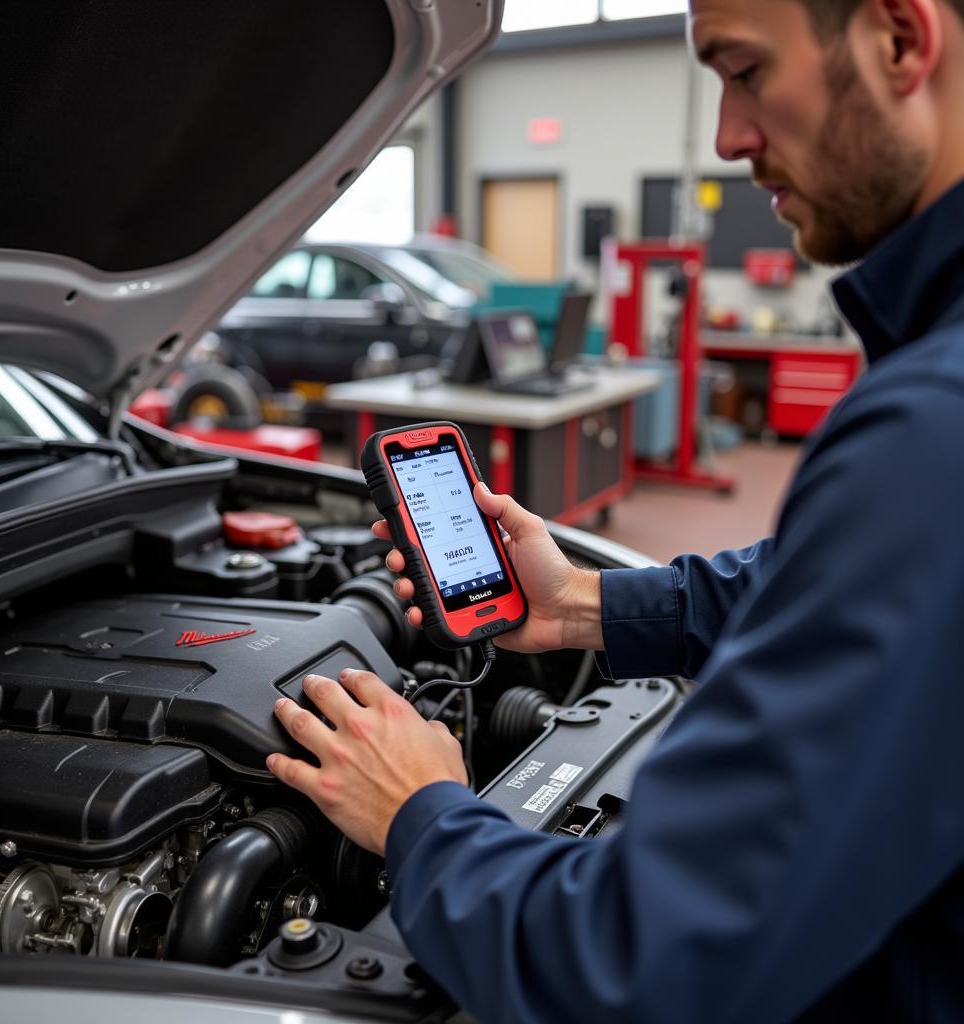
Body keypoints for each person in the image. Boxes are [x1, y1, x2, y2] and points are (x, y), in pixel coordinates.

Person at [266, 0, 964, 1019]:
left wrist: (419, 810)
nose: (727, 137)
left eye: (744, 70)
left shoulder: (927, 431)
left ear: (900, 40)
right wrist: (589, 604)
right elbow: (849, 588)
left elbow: (637, 967)